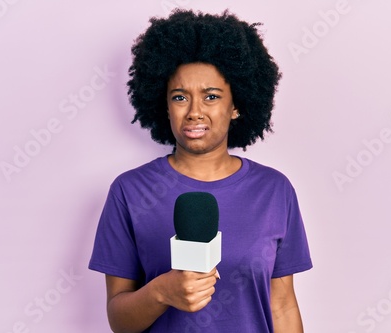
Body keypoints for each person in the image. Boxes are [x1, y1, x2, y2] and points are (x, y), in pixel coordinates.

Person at [89, 9, 312, 333]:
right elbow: (120, 321)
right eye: (180, 97)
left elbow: (282, 305)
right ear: (164, 105)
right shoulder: (130, 191)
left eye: (211, 96)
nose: (194, 112)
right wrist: (162, 291)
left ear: (236, 106)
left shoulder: (274, 191)